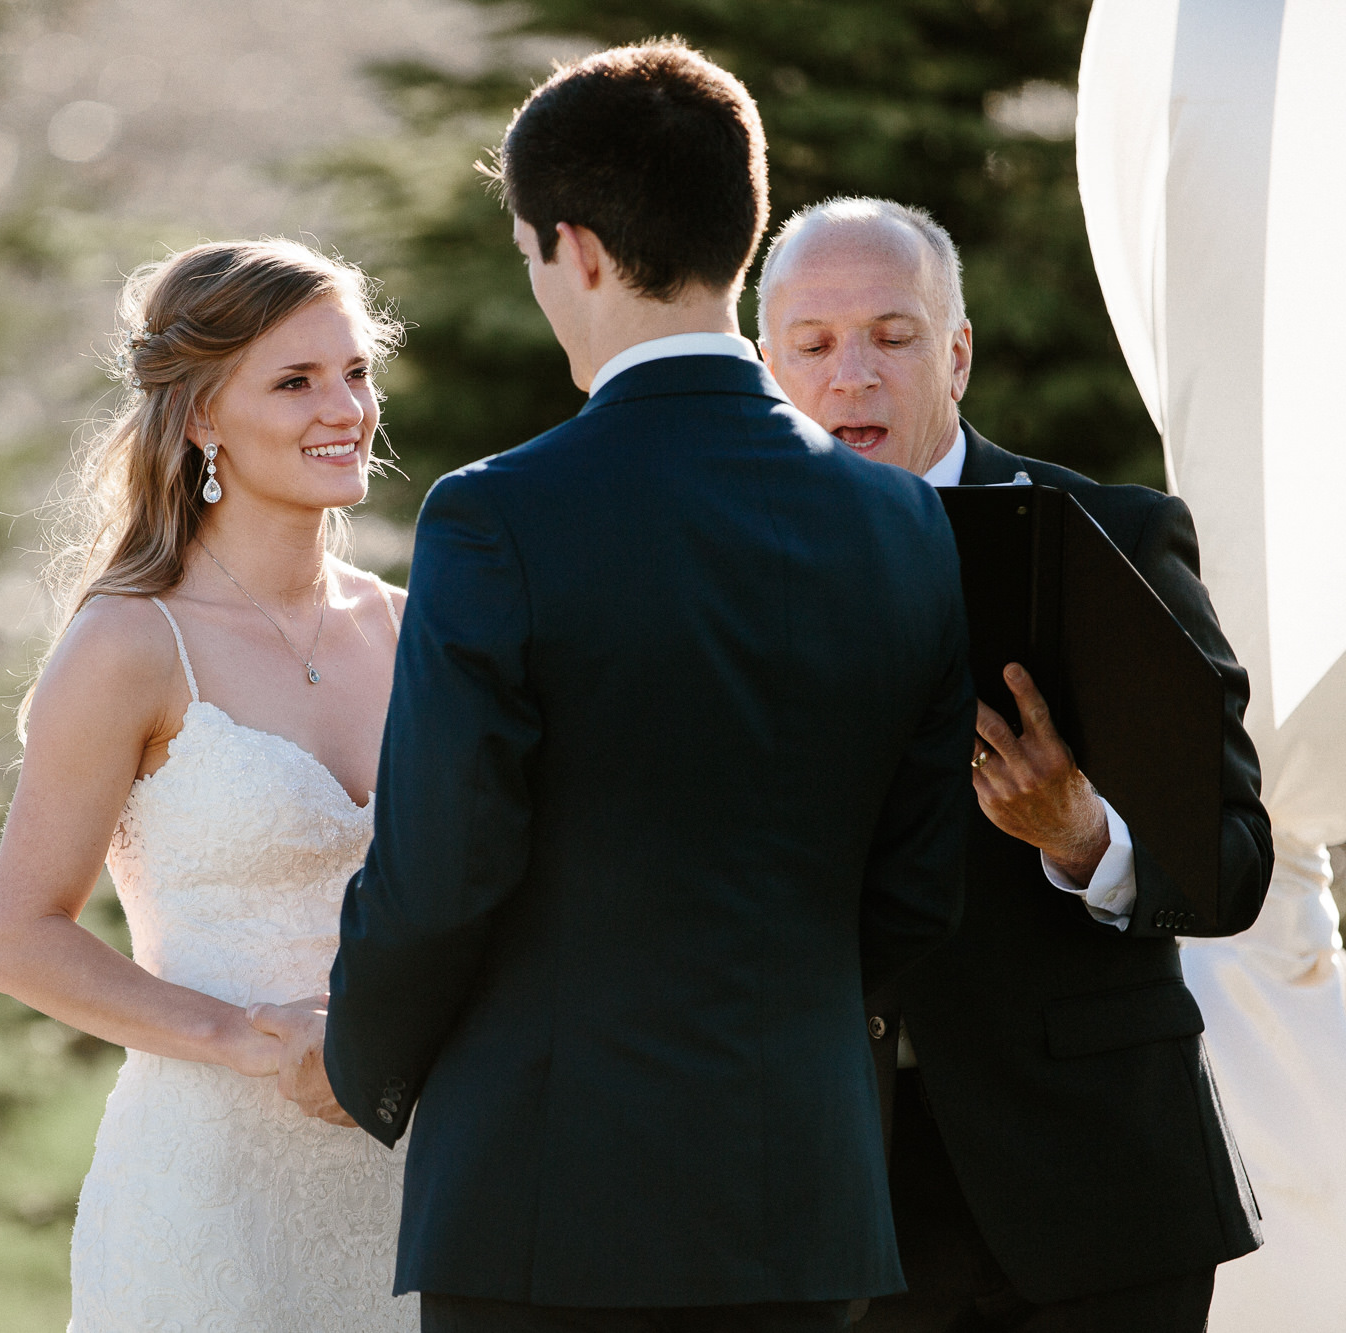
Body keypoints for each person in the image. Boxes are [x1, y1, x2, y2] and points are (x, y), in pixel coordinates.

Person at [249, 43, 977, 1333]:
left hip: (549, 1199)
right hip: (798, 1203)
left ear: (573, 249)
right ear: (739, 236)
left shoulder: (497, 517)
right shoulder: (900, 522)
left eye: (531, 256)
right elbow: (915, 883)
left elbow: (445, 864)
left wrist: (359, 1060)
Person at [755, 197, 1274, 1333]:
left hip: (1092, 1194)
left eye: (891, 336)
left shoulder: (1113, 536)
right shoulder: (712, 572)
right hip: (826, 1206)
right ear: (764, 366)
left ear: (956, 352)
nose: (852, 375)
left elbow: (1231, 865)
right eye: (813, 343)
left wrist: (1084, 838)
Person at [0, 239, 417, 1331]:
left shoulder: (411, 627)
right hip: (210, 1190)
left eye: (355, 371)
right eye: (295, 380)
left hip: (412, 1177)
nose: (345, 408)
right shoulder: (129, 644)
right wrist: (240, 1036)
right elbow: (22, 936)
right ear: (204, 417)